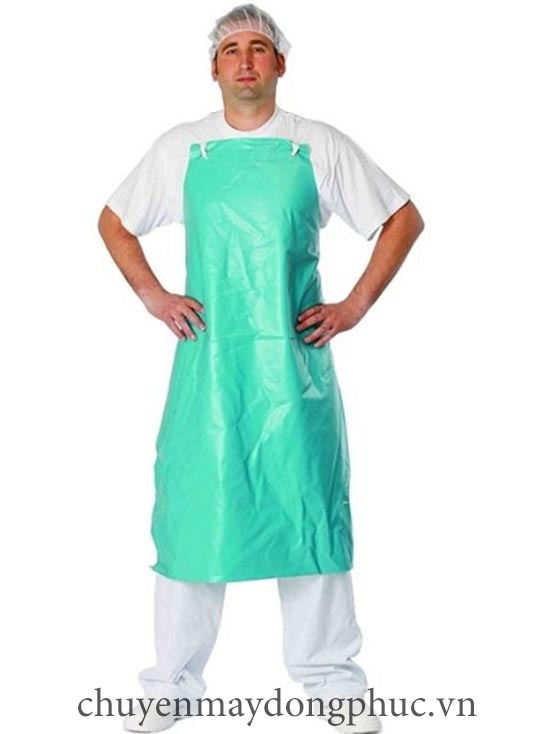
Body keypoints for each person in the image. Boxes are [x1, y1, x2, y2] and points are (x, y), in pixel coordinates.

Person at [98, 4, 424, 732]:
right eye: (232, 50)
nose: (245, 60)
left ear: (280, 64)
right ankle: (170, 686)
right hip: (210, 368)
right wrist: (153, 295)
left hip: (293, 369)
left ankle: (333, 683)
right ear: (213, 68)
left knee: (308, 515)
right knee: (194, 517)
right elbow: (114, 220)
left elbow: (401, 217)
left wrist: (355, 305)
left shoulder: (316, 145)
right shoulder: (183, 149)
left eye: (258, 48)